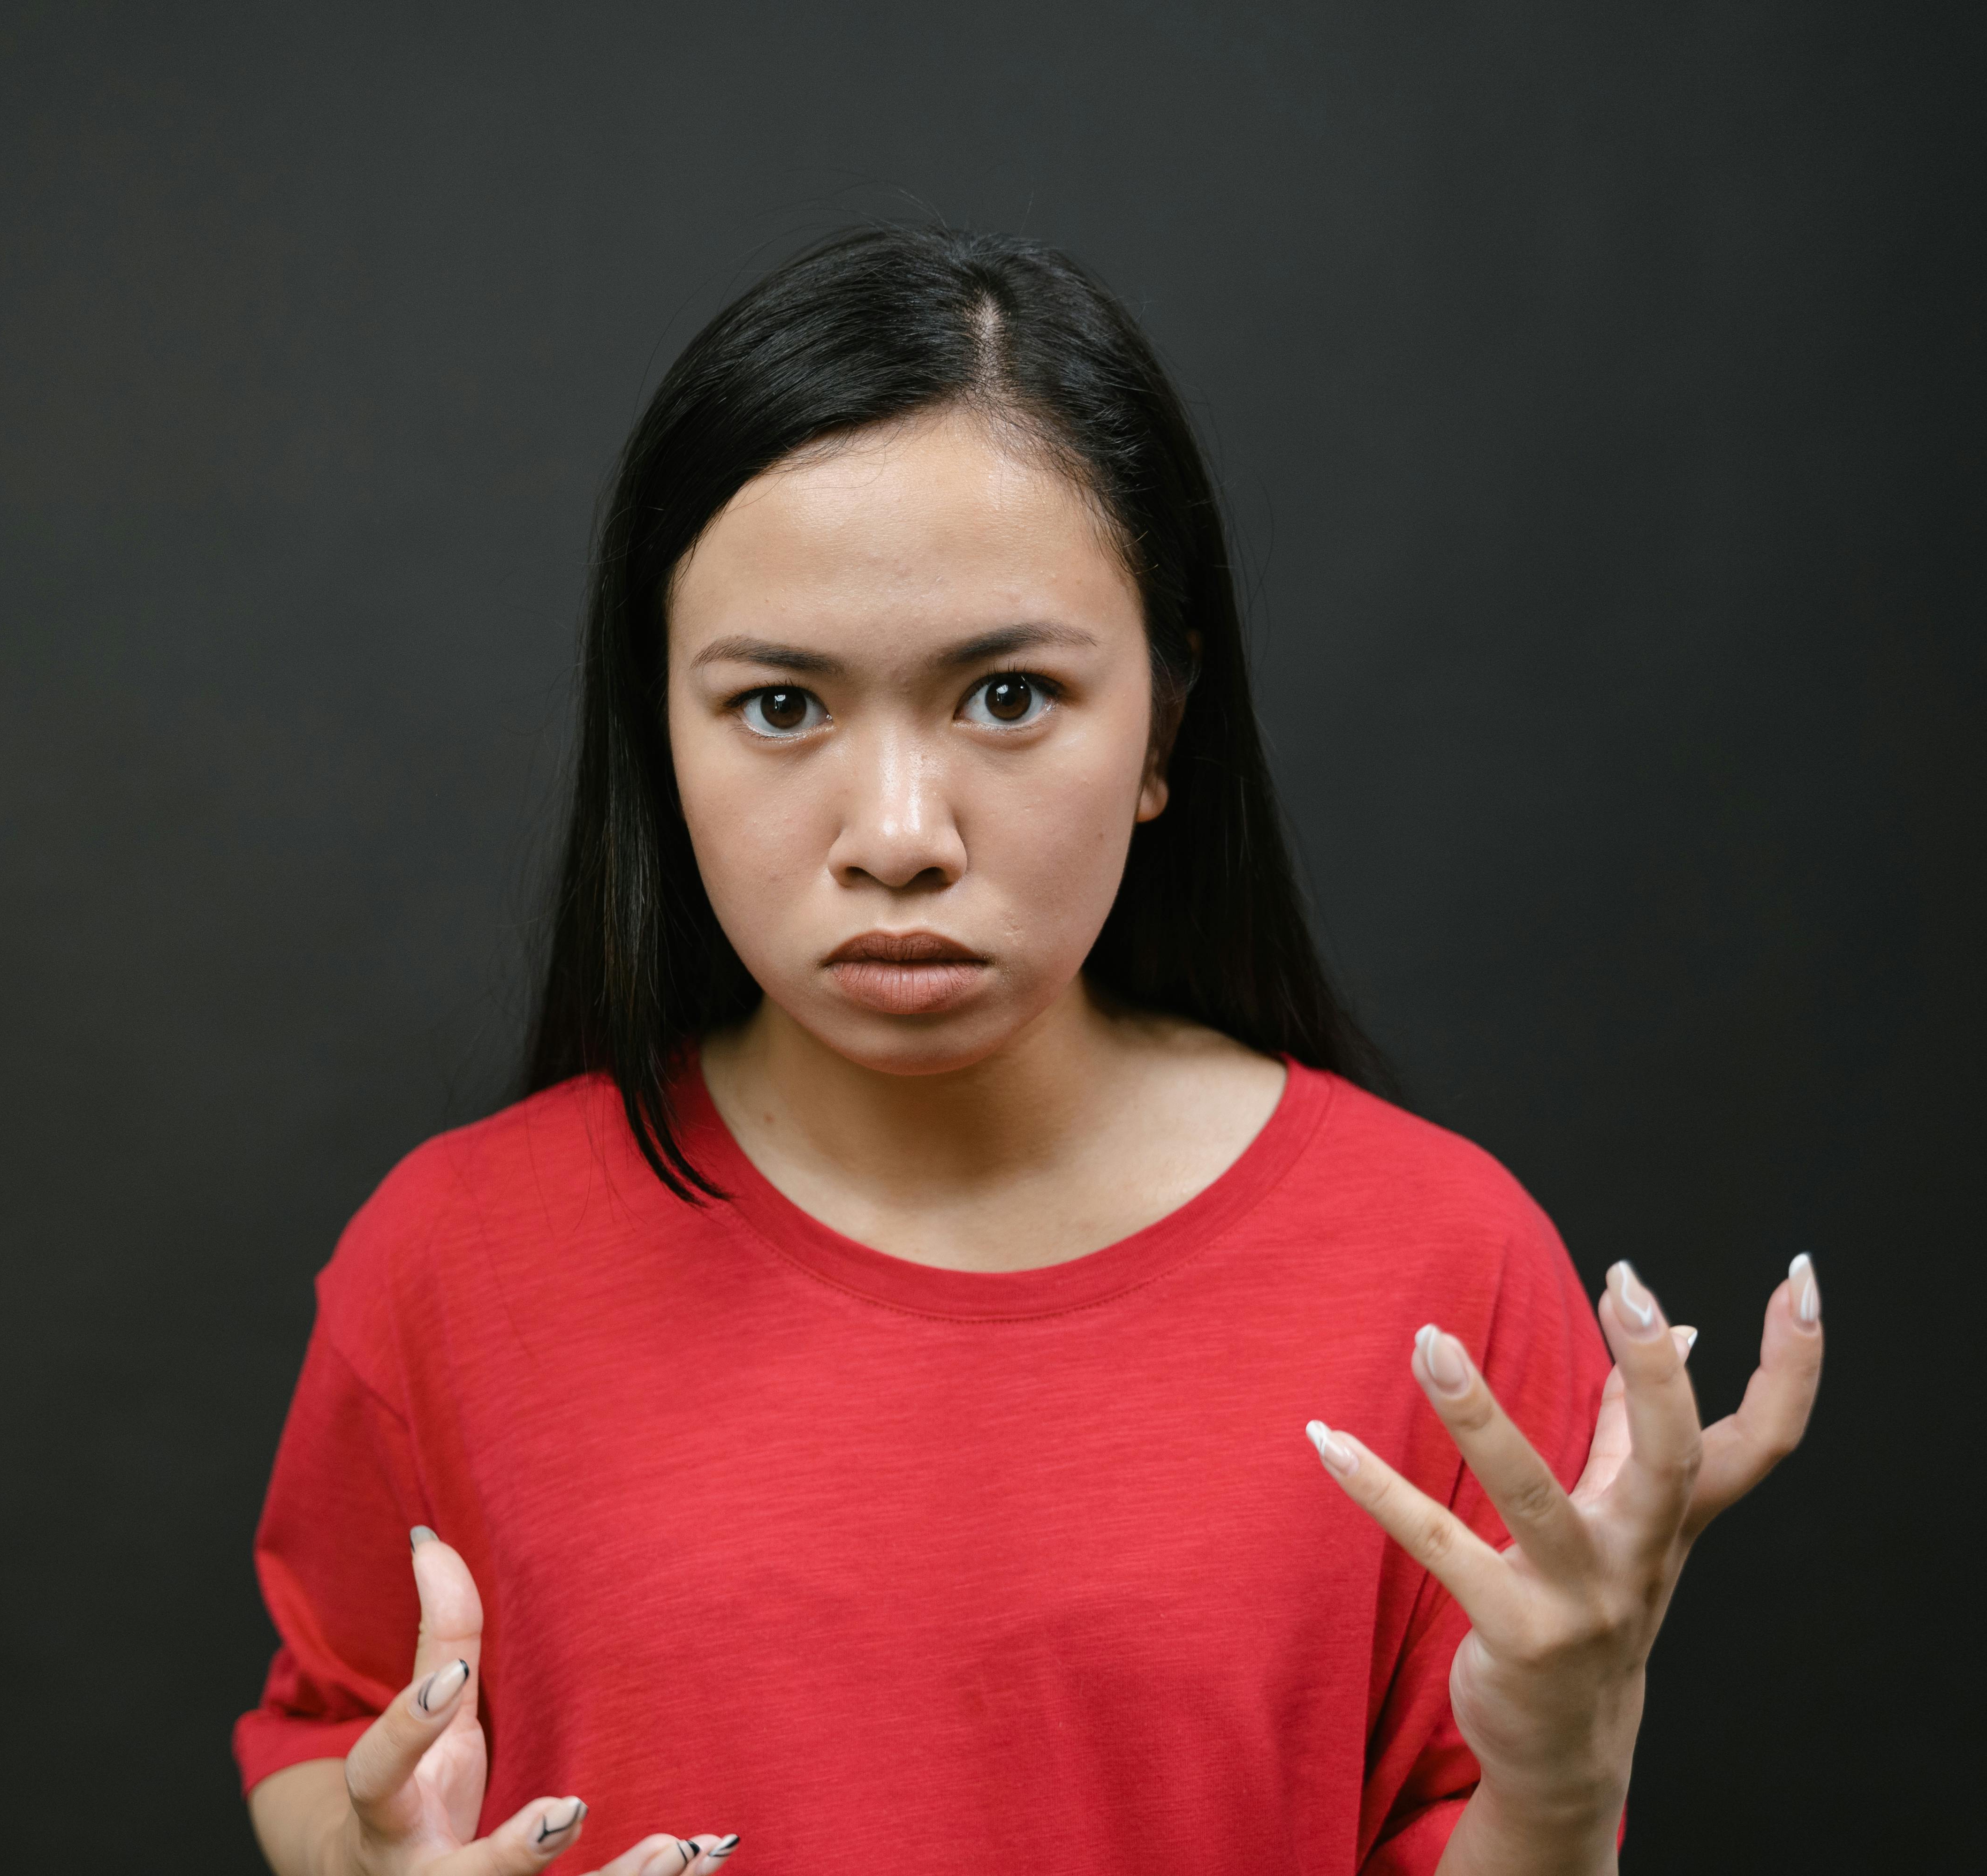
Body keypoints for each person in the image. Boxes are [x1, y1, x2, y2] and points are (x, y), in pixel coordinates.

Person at [233, 227, 1825, 1876]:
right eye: (781, 707)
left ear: (1166, 723)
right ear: (660, 733)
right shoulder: (450, 1260)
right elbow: (327, 1731)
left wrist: (1565, 1774)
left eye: (1006, 695)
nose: (901, 837)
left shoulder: (1445, 1272)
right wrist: (367, 1864)